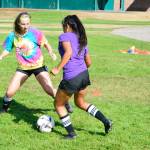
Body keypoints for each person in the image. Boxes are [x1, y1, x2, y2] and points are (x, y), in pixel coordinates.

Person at [51, 15, 112, 139]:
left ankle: (71, 133)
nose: (63, 28)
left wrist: (57, 68)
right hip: (84, 75)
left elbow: (68, 53)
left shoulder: (65, 36)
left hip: (72, 77)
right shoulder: (81, 39)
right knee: (80, 102)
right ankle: (106, 121)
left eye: (63, 26)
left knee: (58, 104)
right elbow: (89, 62)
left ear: (67, 25)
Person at [0, 12, 72, 114]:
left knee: (49, 90)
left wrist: (51, 52)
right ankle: (4, 108)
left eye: (28, 23)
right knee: (9, 92)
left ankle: (65, 102)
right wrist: (1, 56)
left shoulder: (35, 32)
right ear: (17, 23)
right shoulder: (13, 35)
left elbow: (46, 43)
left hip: (38, 66)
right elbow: (7, 49)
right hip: (23, 68)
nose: (26, 26)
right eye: (23, 24)